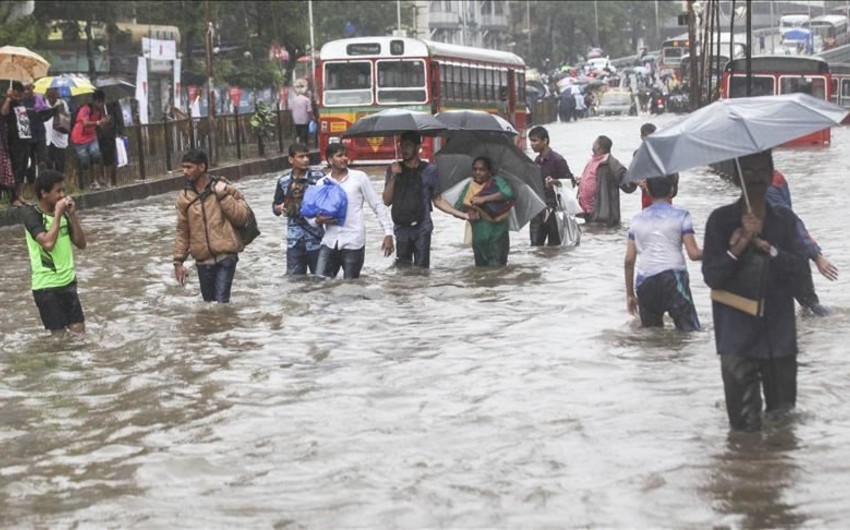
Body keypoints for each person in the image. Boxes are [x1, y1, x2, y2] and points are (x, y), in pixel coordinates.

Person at [702, 150, 810, 431]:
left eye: (762, 170)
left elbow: (800, 272)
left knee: (783, 426)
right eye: (748, 171)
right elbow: (712, 276)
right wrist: (739, 246)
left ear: (772, 173)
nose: (756, 177)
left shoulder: (785, 220)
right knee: (743, 431)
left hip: (779, 338)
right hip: (737, 340)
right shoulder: (720, 221)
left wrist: (769, 249)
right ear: (737, 177)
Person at [624, 175, 702, 331]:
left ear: (648, 190)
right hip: (673, 278)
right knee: (689, 332)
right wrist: (720, 249)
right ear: (672, 190)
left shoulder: (636, 220)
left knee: (652, 336)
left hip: (645, 282)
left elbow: (629, 261)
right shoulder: (682, 216)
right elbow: (694, 254)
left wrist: (630, 294)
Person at [382, 131, 468, 268]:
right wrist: (393, 176)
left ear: (418, 147)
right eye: (402, 146)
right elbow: (386, 201)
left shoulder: (430, 170)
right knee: (403, 270)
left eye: (408, 146)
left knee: (422, 270)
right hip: (401, 228)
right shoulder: (393, 169)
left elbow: (438, 200)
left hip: (422, 227)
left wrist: (461, 214)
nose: (404, 150)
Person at [173, 149, 250, 303]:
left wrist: (223, 197)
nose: (185, 171)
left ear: (202, 167)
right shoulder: (184, 197)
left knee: (221, 302)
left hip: (226, 255)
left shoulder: (224, 187)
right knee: (209, 304)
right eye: (184, 167)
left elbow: (242, 217)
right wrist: (178, 262)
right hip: (202, 260)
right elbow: (183, 230)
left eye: (189, 167)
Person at [313, 143, 394, 279]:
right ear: (330, 160)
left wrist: (388, 233)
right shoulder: (321, 183)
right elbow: (312, 214)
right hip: (329, 241)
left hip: (353, 241)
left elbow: (377, 206)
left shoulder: (359, 178)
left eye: (345, 155)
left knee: (351, 285)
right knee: (320, 283)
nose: (344, 158)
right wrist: (317, 220)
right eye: (339, 156)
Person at [21, 169, 88, 333]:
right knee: (59, 339)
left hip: (69, 283)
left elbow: (81, 244)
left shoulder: (65, 215)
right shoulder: (32, 214)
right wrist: (57, 214)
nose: (62, 195)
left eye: (63, 191)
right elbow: (48, 243)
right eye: (58, 191)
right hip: (47, 288)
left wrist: (72, 216)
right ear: (44, 193)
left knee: (79, 332)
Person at [767, 169, 838, 316]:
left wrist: (816, 255)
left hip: (783, 252)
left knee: (810, 309)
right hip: (791, 250)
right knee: (808, 308)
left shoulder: (767, 187)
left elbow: (791, 221)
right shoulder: (775, 176)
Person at [271, 143, 326, 275]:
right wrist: (281, 208)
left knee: (321, 281)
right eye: (301, 157)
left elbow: (328, 202)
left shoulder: (319, 177)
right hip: (294, 242)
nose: (306, 160)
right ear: (291, 159)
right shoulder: (283, 181)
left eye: (307, 156)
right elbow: (275, 207)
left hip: (317, 240)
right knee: (294, 282)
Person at [453, 156, 515, 267]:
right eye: (475, 169)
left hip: (497, 236)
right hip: (479, 238)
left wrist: (484, 199)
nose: (478, 173)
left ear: (489, 171)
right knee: (480, 272)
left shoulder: (497, 182)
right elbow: (457, 207)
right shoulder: (470, 186)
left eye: (482, 170)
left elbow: (508, 193)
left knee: (497, 270)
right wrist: (468, 212)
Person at [528, 125, 575, 246]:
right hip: (538, 208)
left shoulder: (558, 160)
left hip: (554, 209)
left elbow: (571, 182)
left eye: (535, 140)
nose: (532, 144)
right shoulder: (537, 161)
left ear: (545, 141)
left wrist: (555, 182)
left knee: (555, 246)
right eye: (531, 141)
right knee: (535, 246)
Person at [577, 135, 637, 226]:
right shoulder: (592, 161)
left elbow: (627, 183)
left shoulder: (612, 163)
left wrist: (634, 180)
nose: (592, 144)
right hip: (588, 214)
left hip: (603, 216)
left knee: (604, 237)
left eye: (594, 142)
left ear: (599, 146)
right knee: (590, 237)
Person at [2, 81, 34, 207]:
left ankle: (19, 194)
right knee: (15, 168)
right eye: (17, 93)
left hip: (24, 138)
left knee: (23, 167)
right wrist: (9, 99)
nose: (19, 96)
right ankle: (13, 197)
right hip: (13, 140)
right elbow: (3, 113)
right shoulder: (8, 102)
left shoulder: (23, 103)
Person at [70, 89, 109, 190]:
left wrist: (104, 122)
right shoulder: (86, 109)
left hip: (91, 136)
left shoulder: (100, 111)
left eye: (102, 102)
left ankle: (95, 180)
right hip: (79, 137)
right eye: (99, 102)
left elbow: (100, 125)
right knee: (84, 161)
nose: (100, 104)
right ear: (94, 101)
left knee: (96, 156)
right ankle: (85, 182)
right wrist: (97, 122)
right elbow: (85, 123)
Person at [636, 123, 678, 209]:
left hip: (665, 194)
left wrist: (672, 187)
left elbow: (674, 174)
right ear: (642, 136)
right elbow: (633, 176)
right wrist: (639, 182)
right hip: (647, 195)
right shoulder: (638, 155)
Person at [44, 88, 70, 174]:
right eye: (49, 96)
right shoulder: (44, 104)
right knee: (48, 162)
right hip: (48, 137)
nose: (51, 98)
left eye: (53, 96)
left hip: (59, 137)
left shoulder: (62, 103)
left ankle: (60, 182)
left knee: (60, 163)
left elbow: (67, 118)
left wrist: (61, 111)